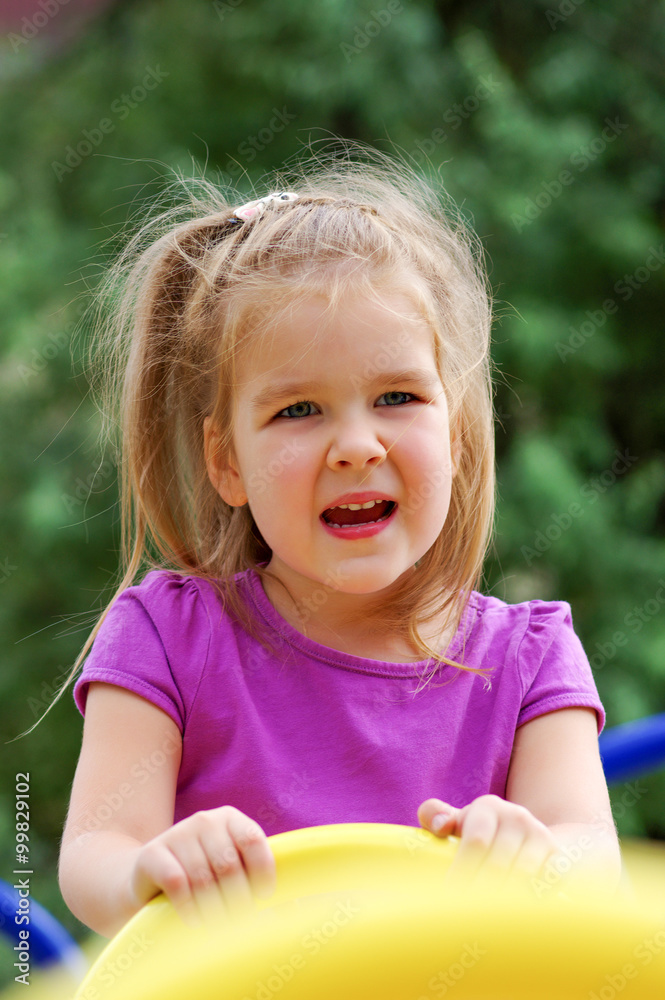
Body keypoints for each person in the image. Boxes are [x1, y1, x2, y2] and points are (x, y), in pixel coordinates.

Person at [58, 146, 621, 939]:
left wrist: (540, 857)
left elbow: (592, 856)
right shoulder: (168, 639)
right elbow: (94, 853)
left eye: (396, 396)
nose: (356, 445)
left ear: (456, 433)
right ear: (227, 462)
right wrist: (148, 867)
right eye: (298, 411)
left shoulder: (530, 660)